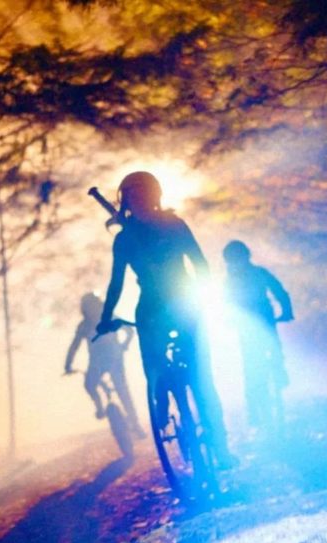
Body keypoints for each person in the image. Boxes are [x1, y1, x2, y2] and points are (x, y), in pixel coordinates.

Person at [96, 171, 237, 469]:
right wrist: (105, 316)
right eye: (136, 196)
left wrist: (106, 319)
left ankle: (168, 403)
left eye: (143, 195)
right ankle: (214, 444)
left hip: (169, 307)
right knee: (195, 377)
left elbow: (117, 284)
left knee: (196, 377)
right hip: (169, 307)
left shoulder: (137, 235)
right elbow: (199, 265)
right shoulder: (161, 229)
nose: (141, 201)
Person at [222, 240, 294, 430]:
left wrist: (228, 321)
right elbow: (280, 291)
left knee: (251, 365)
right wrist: (287, 312)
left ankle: (254, 410)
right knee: (269, 351)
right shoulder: (258, 273)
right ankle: (279, 374)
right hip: (263, 320)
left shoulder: (229, 281)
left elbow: (224, 305)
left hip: (249, 325)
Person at [64, 292, 145, 438]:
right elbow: (129, 331)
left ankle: (125, 419)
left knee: (110, 388)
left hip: (108, 361)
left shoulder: (93, 322)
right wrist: (124, 346)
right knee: (114, 388)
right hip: (107, 360)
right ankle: (131, 422)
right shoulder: (99, 320)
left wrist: (68, 365)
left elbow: (74, 346)